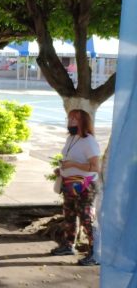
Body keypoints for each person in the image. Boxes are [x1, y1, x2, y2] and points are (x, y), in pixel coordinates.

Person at [50, 109, 101, 266]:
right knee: (69, 216)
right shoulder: (71, 138)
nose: (70, 122)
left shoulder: (89, 142)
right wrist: (63, 169)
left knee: (87, 218)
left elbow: (95, 167)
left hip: (85, 185)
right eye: (69, 119)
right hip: (69, 183)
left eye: (74, 120)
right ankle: (68, 245)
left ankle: (96, 254)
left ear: (83, 122)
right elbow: (70, 157)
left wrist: (72, 165)